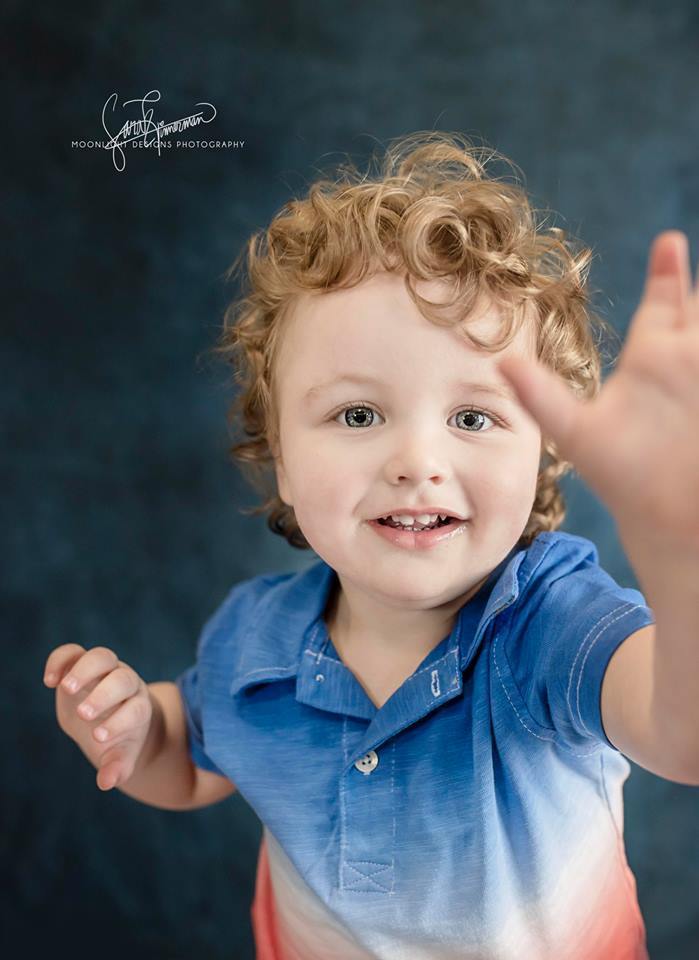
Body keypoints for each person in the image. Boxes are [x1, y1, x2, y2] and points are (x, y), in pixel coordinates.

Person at [44, 132, 699, 960]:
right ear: (282, 459)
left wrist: (678, 555)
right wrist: (138, 731)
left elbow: (682, 735)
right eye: (357, 414)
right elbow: (189, 761)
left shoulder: (551, 625)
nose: (416, 463)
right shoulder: (254, 643)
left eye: (472, 417)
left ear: (543, 450)